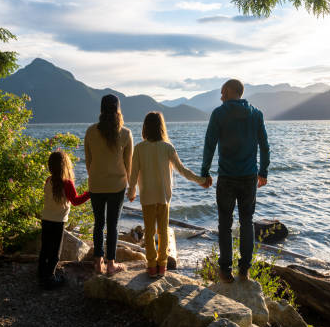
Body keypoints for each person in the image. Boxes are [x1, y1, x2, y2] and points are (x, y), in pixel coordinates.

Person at [200, 79, 270, 283]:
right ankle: (244, 269)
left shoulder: (219, 114)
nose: (221, 97)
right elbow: (264, 145)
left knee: (225, 224)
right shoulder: (256, 114)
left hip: (227, 177)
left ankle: (225, 270)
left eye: (223, 92)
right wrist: (263, 172)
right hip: (249, 177)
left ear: (231, 91)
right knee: (247, 222)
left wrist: (205, 172)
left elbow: (209, 145)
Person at [127, 112, 206, 278]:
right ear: (161, 127)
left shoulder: (139, 148)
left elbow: (133, 174)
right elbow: (183, 171)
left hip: (147, 196)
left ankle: (151, 266)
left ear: (145, 128)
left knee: (149, 232)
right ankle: (162, 266)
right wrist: (200, 180)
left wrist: (131, 190)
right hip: (163, 197)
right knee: (162, 231)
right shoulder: (168, 147)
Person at [84, 94, 133, 276]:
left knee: (99, 223)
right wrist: (132, 187)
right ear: (118, 110)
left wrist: (96, 176)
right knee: (113, 224)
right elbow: (129, 165)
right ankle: (111, 265)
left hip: (96, 184)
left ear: (101, 110)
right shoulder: (126, 133)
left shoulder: (90, 131)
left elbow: (88, 162)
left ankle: (98, 263)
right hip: (117, 185)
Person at [39, 150, 90, 289]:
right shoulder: (67, 183)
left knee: (45, 249)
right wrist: (89, 193)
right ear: (65, 166)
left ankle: (41, 274)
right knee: (55, 253)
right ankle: (49, 279)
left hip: (46, 219)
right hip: (58, 222)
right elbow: (76, 201)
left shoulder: (48, 180)